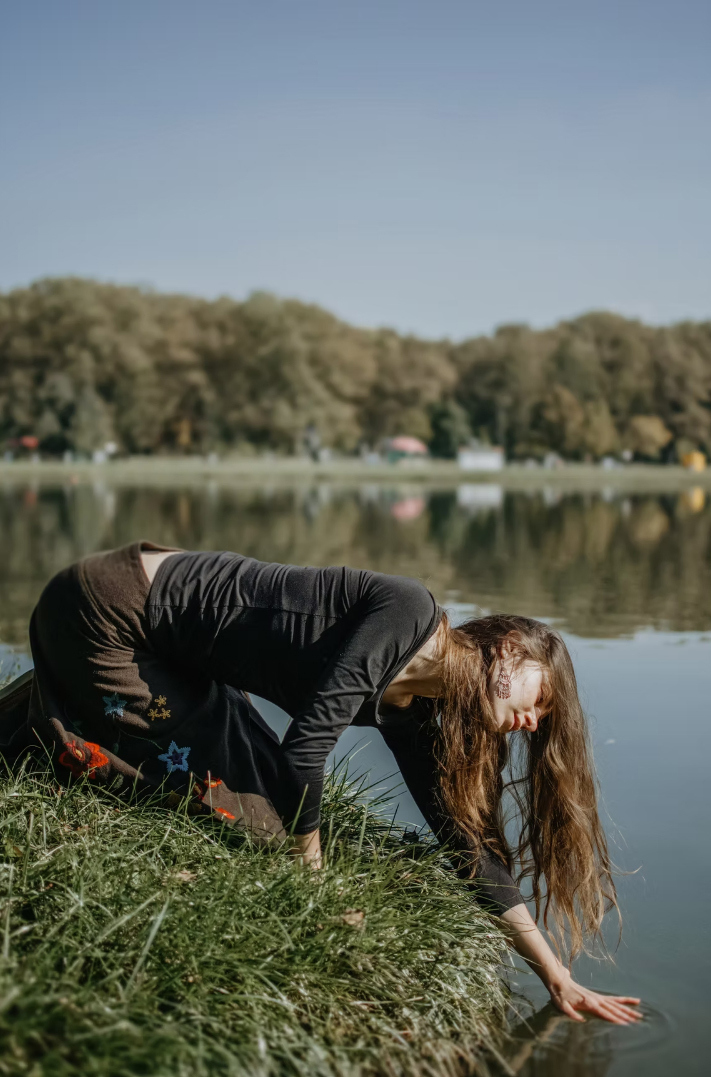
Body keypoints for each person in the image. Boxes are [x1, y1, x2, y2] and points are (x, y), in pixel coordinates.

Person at [2, 541, 640, 1026]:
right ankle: (47, 729)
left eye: (540, 722)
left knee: (250, 775)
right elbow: (305, 749)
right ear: (507, 650)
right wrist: (314, 881)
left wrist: (557, 975)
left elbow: (460, 840)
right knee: (252, 817)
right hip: (105, 608)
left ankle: (69, 697)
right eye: (540, 698)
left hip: (168, 646)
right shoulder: (407, 611)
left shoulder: (412, 704)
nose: (530, 722)